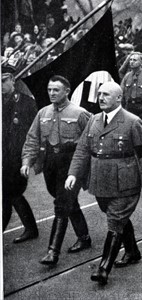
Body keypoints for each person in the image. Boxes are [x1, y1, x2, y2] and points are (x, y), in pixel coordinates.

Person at [65, 82, 142, 285]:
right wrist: (73, 174)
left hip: (126, 183)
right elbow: (83, 150)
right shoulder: (94, 120)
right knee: (117, 217)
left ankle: (104, 268)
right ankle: (132, 251)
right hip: (100, 182)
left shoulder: (132, 122)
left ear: (118, 98)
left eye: (106, 94)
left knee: (114, 221)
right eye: (99, 94)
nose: (101, 98)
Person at [21, 75, 92, 265]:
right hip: (51, 163)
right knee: (63, 198)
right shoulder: (43, 113)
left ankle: (53, 252)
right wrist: (27, 161)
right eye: (49, 90)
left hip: (72, 163)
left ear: (66, 91)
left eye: (56, 90)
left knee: (62, 204)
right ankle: (84, 237)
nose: (52, 93)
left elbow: (91, 141)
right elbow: (33, 138)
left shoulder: (80, 113)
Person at [2, 66, 39, 243]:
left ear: (13, 81)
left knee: (11, 192)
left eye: (3, 80)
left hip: (17, 156)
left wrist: (27, 158)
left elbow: (32, 132)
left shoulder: (25, 102)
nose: (0, 85)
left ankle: (30, 229)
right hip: (3, 155)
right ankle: (31, 228)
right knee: (9, 194)